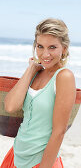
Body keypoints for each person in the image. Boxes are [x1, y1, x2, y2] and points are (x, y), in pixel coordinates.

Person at [1, 18, 76, 168]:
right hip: (16, 154)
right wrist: (31, 70)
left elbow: (59, 132)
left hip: (41, 161)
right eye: (40, 46)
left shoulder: (64, 77)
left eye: (52, 47)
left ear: (64, 49)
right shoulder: (35, 73)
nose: (45, 54)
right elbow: (10, 106)